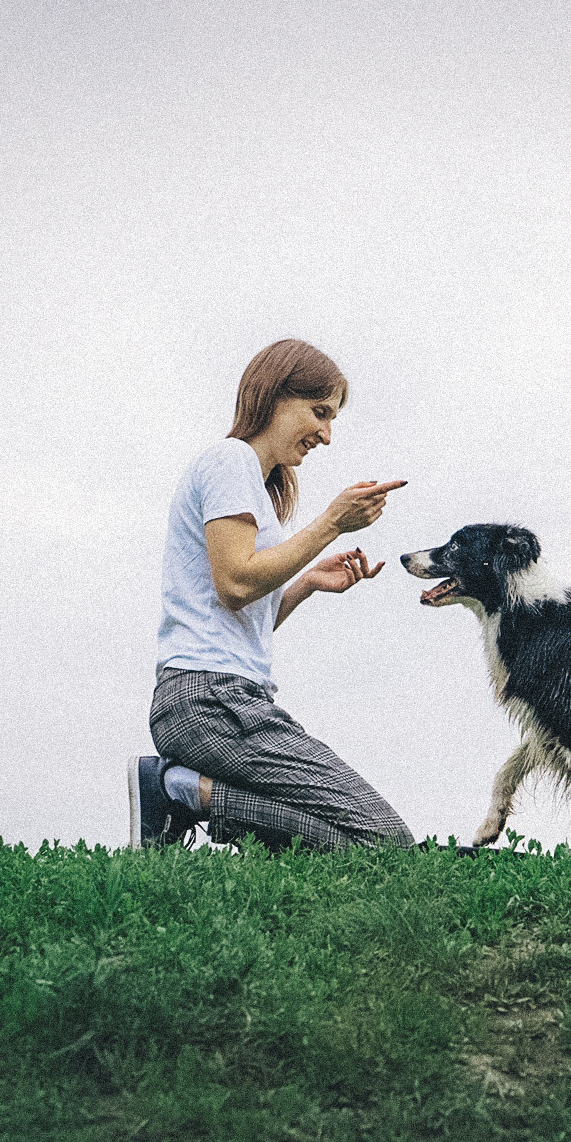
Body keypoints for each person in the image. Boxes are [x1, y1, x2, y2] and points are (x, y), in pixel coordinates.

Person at [129, 338, 412, 851]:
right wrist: (331, 523)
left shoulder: (253, 486)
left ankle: (187, 793)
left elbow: (232, 614)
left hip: (224, 698)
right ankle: (177, 792)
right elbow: (236, 584)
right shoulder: (231, 459)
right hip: (211, 700)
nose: (326, 436)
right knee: (385, 839)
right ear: (275, 396)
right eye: (320, 412)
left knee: (368, 845)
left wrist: (304, 584)